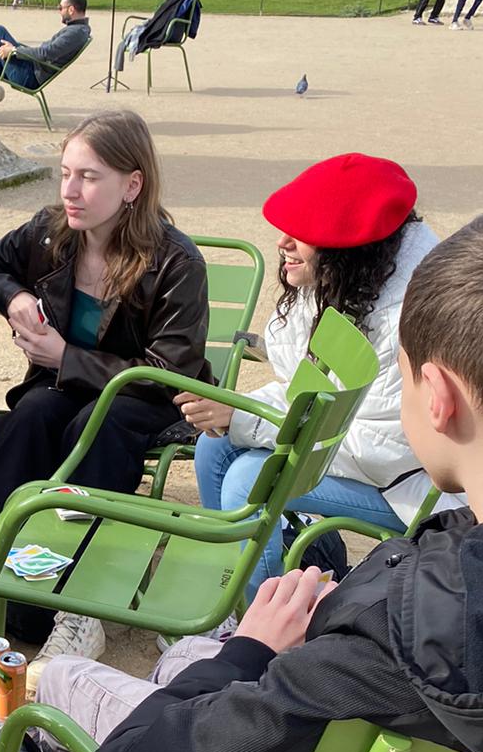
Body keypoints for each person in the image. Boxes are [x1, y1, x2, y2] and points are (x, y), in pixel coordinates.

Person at [0, 203, 483, 752]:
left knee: (56, 685)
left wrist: (252, 653)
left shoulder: (389, 632)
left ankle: (4, 747)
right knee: (188, 658)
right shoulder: (427, 603)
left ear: (437, 396)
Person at [0, 110, 211, 687]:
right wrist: (12, 298)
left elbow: (169, 371)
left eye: (89, 176)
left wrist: (66, 357)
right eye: (65, 173)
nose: (70, 190)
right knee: (26, 418)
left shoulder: (178, 262)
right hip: (59, 387)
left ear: (132, 185)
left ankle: (82, 608)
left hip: (145, 398)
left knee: (98, 425)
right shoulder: (49, 231)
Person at [174, 153, 443, 608]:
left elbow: (381, 450)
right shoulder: (353, 282)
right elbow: (311, 387)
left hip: (409, 490)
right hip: (369, 460)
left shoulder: (405, 320)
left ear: (348, 247)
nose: (282, 243)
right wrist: (237, 413)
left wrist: (246, 419)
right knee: (214, 445)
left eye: (302, 236)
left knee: (248, 479)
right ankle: (238, 591)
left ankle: (263, 631)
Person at [0, 0, 91, 90]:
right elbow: (45, 53)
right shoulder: (79, 30)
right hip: (30, 68)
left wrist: (14, 50)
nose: (59, 11)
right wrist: (16, 49)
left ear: (71, 10)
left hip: (29, 76)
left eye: (60, 8)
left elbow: (46, 53)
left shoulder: (75, 32)